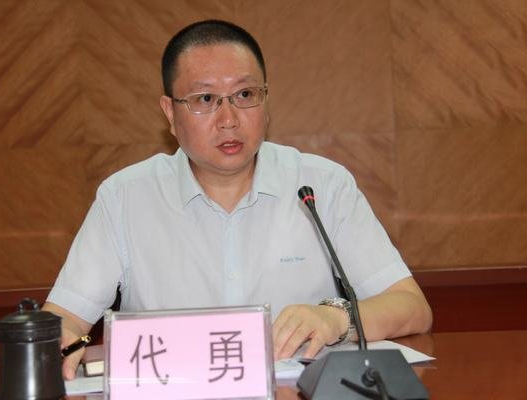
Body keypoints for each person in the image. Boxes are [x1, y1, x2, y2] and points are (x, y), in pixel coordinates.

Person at [43, 19, 432, 380]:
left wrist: (337, 319)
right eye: (205, 98)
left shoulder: (321, 185)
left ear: (266, 100)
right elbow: (64, 320)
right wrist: (61, 336)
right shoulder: (125, 197)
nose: (228, 119)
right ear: (170, 113)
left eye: (245, 94)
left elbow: (412, 308)